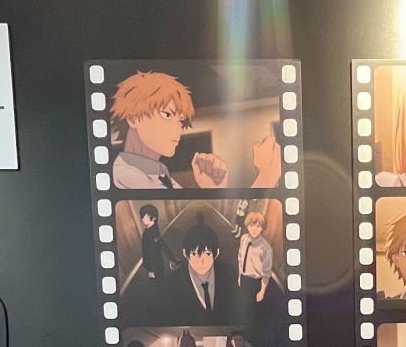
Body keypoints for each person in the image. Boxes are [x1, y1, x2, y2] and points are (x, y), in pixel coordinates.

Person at [109, 70, 281, 190]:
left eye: (180, 121)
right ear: (133, 118)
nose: (178, 130)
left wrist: (212, 189)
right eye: (167, 115)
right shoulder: (126, 176)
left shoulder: (160, 175)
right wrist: (267, 176)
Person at [170, 214, 238, 323]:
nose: (201, 261)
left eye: (207, 254)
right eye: (195, 254)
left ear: (216, 253)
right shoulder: (172, 283)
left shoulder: (229, 275)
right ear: (185, 253)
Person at [237, 209, 274, 305]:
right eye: (251, 225)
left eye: (258, 226)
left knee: (252, 306)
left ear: (262, 228)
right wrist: (240, 275)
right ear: (247, 226)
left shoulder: (266, 249)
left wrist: (262, 291)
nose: (254, 229)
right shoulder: (243, 239)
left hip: (255, 282)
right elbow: (240, 257)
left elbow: (267, 273)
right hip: (243, 277)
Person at [138, 204, 175, 280]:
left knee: (158, 283)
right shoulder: (149, 230)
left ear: (154, 217)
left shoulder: (152, 232)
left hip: (155, 267)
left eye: (147, 216)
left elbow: (153, 252)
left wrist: (152, 270)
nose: (143, 219)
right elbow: (161, 245)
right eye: (143, 216)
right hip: (154, 266)